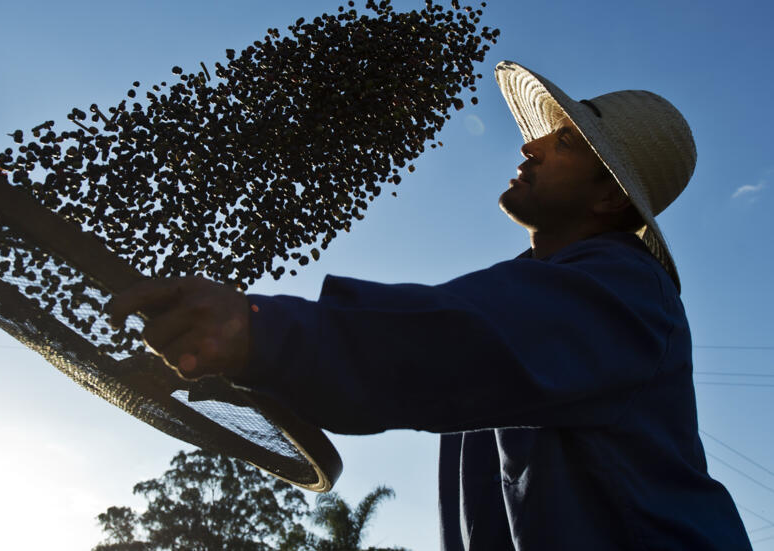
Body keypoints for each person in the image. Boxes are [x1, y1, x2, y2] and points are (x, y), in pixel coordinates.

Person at [108, 61, 752, 549]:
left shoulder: (623, 290)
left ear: (610, 200)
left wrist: (261, 337)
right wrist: (259, 362)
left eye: (564, 143)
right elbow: (432, 362)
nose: (530, 147)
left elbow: (455, 344)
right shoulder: (521, 292)